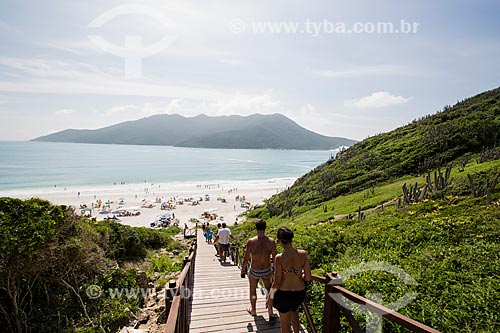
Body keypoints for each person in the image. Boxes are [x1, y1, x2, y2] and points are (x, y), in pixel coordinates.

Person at [266, 227, 311, 333]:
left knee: (284, 323)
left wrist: (270, 297)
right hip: (299, 293)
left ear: (281, 241)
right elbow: (308, 277)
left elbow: (277, 281)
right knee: (294, 312)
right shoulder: (303, 254)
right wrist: (300, 276)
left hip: (283, 294)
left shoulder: (279, 258)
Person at [240, 219, 277, 321]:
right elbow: (275, 258)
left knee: (252, 290)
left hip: (254, 270)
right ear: (265, 228)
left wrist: (243, 270)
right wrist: (276, 271)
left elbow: (246, 257)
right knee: (269, 290)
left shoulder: (251, 241)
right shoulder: (271, 241)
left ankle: (254, 310)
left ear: (256, 228)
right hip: (267, 269)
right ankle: (270, 311)